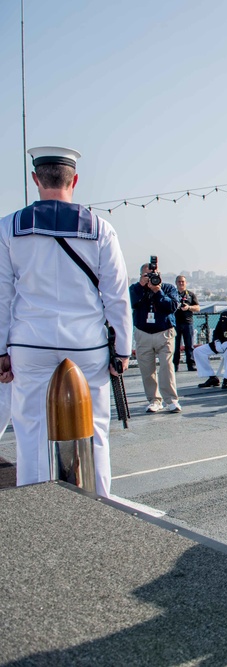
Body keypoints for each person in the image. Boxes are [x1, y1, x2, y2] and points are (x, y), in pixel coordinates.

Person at [0, 146, 131, 498]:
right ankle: (100, 503)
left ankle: (38, 506)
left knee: (30, 431)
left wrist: (1, 351)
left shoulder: (9, 227)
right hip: (86, 344)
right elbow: (116, 295)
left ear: (35, 180)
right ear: (74, 180)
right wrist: (122, 350)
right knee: (95, 429)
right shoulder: (100, 228)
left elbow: (2, 296)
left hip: (30, 343)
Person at [130, 259, 181, 413]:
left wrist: (157, 292)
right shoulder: (135, 289)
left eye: (154, 274)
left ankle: (171, 400)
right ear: (141, 275)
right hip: (143, 333)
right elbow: (130, 302)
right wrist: (141, 286)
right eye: (147, 275)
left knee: (167, 367)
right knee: (147, 370)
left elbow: (172, 306)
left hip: (164, 332)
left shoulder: (168, 288)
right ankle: (154, 400)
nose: (151, 277)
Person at [173, 275, 200, 372]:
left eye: (182, 282)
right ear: (176, 283)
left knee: (189, 345)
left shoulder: (191, 294)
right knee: (175, 346)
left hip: (188, 323)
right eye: (179, 281)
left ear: (186, 283)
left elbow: (197, 308)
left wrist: (188, 307)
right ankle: (174, 365)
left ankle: (191, 364)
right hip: (175, 323)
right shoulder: (173, 294)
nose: (181, 283)